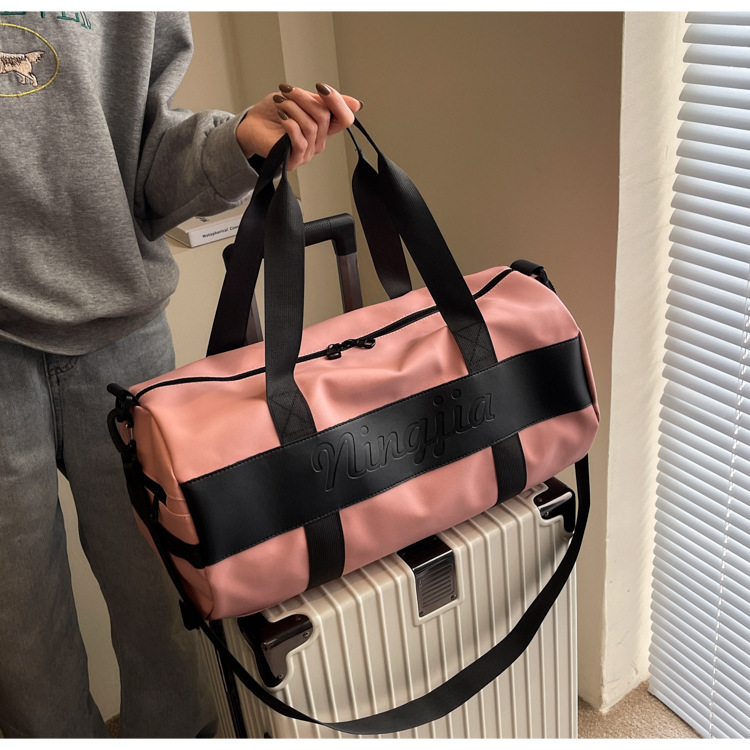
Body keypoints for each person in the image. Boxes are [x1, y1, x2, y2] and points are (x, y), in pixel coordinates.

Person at [0, 11, 361, 738]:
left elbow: (144, 161)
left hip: (123, 334)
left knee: (171, 606)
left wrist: (236, 142)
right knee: (19, 641)